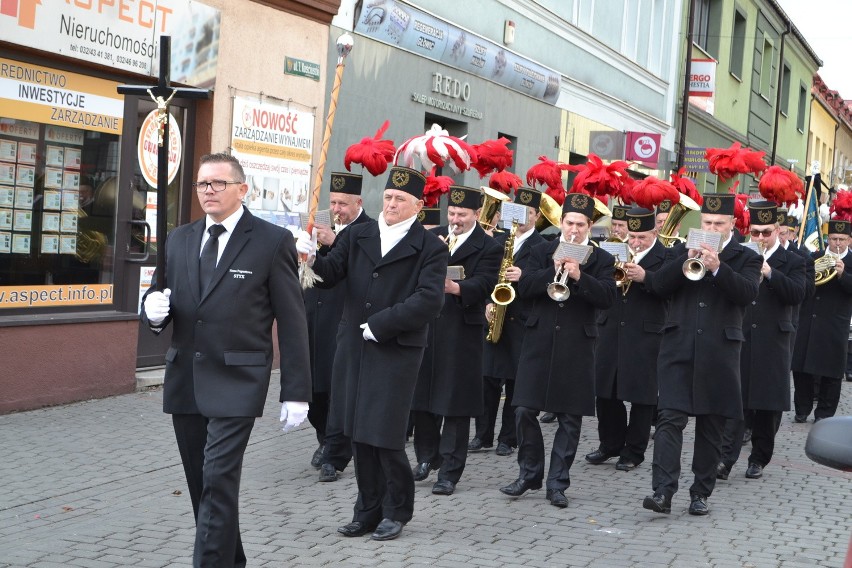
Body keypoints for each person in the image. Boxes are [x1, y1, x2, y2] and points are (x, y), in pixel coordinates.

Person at [141, 152, 311, 567]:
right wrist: (153, 311)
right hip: (186, 379)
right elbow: (162, 295)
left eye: (219, 183)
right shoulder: (179, 238)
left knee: (218, 479)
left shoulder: (271, 242)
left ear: (242, 189)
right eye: (202, 184)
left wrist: (296, 391)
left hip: (238, 380)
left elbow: (292, 321)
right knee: (202, 485)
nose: (209, 191)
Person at [297, 165, 448, 541]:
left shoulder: (431, 247)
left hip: (396, 350)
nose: (392, 203)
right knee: (358, 432)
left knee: (384, 434)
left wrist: (382, 324)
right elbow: (331, 274)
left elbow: (429, 300)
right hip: (353, 347)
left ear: (417, 205)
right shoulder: (360, 233)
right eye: (389, 197)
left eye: (400, 199)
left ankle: (397, 510)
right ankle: (367, 510)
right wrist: (311, 257)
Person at [642, 193, 761, 516]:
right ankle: (663, 492)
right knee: (669, 418)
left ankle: (700, 493)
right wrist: (684, 262)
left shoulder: (745, 257)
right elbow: (657, 286)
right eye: (707, 222)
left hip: (719, 351)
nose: (711, 228)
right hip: (678, 346)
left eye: (718, 224)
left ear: (732, 225)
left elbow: (747, 294)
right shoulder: (681, 249)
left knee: (712, 424)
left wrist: (719, 267)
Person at [499, 192, 616, 508]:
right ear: (561, 222)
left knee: (569, 418)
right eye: (569, 223)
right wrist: (553, 270)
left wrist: (579, 276)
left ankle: (557, 484)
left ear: (589, 225)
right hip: (538, 341)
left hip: (577, 344)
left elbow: (607, 297)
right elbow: (523, 288)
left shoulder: (602, 259)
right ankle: (529, 473)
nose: (574, 229)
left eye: (580, 224)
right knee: (523, 409)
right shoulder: (540, 250)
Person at [411, 186, 502, 495]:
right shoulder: (433, 236)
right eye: (452, 213)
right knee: (421, 400)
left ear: (476, 215)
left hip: (461, 330)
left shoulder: (488, 246)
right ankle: (426, 457)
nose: (455, 219)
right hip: (427, 326)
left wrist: (457, 288)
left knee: (455, 403)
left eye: (462, 214)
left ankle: (450, 471)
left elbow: (488, 282)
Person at [717, 202, 806, 480]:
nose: (760, 238)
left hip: (773, 339)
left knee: (768, 405)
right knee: (737, 401)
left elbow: (797, 294)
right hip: (742, 334)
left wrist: (769, 273)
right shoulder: (742, 256)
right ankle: (725, 460)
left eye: (766, 232)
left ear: (778, 231)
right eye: (755, 232)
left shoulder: (794, 261)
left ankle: (759, 458)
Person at [303, 172, 372, 481]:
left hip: (344, 316)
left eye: (343, 203)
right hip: (314, 314)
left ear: (358, 202)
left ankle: (335, 450)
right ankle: (325, 439)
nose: (336, 209)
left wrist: (335, 241)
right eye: (332, 202)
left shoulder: (369, 229)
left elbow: (362, 269)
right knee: (312, 390)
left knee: (337, 389)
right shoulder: (321, 221)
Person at [586, 207, 666, 471]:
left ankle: (634, 451)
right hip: (610, 328)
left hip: (646, 333)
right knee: (605, 390)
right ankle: (610, 444)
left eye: (642, 237)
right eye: (632, 236)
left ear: (654, 233)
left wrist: (646, 277)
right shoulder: (613, 250)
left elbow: (670, 289)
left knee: (642, 396)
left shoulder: (665, 256)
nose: (634, 242)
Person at [472, 187, 545, 456]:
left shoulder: (544, 245)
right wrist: (488, 303)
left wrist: (524, 276)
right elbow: (488, 275)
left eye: (527, 212)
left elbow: (544, 282)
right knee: (487, 379)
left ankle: (508, 438)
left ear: (536, 216)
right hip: (495, 314)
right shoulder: (499, 241)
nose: (522, 216)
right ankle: (482, 435)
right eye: (517, 211)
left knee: (516, 383)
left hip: (523, 320)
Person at [791, 219, 852, 422]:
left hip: (835, 323)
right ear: (827, 239)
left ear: (849, 240)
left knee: (832, 373)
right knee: (801, 369)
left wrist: (843, 274)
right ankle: (802, 409)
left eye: (842, 239)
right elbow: (804, 285)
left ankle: (824, 414)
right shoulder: (815, 257)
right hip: (809, 319)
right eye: (833, 238)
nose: (837, 243)